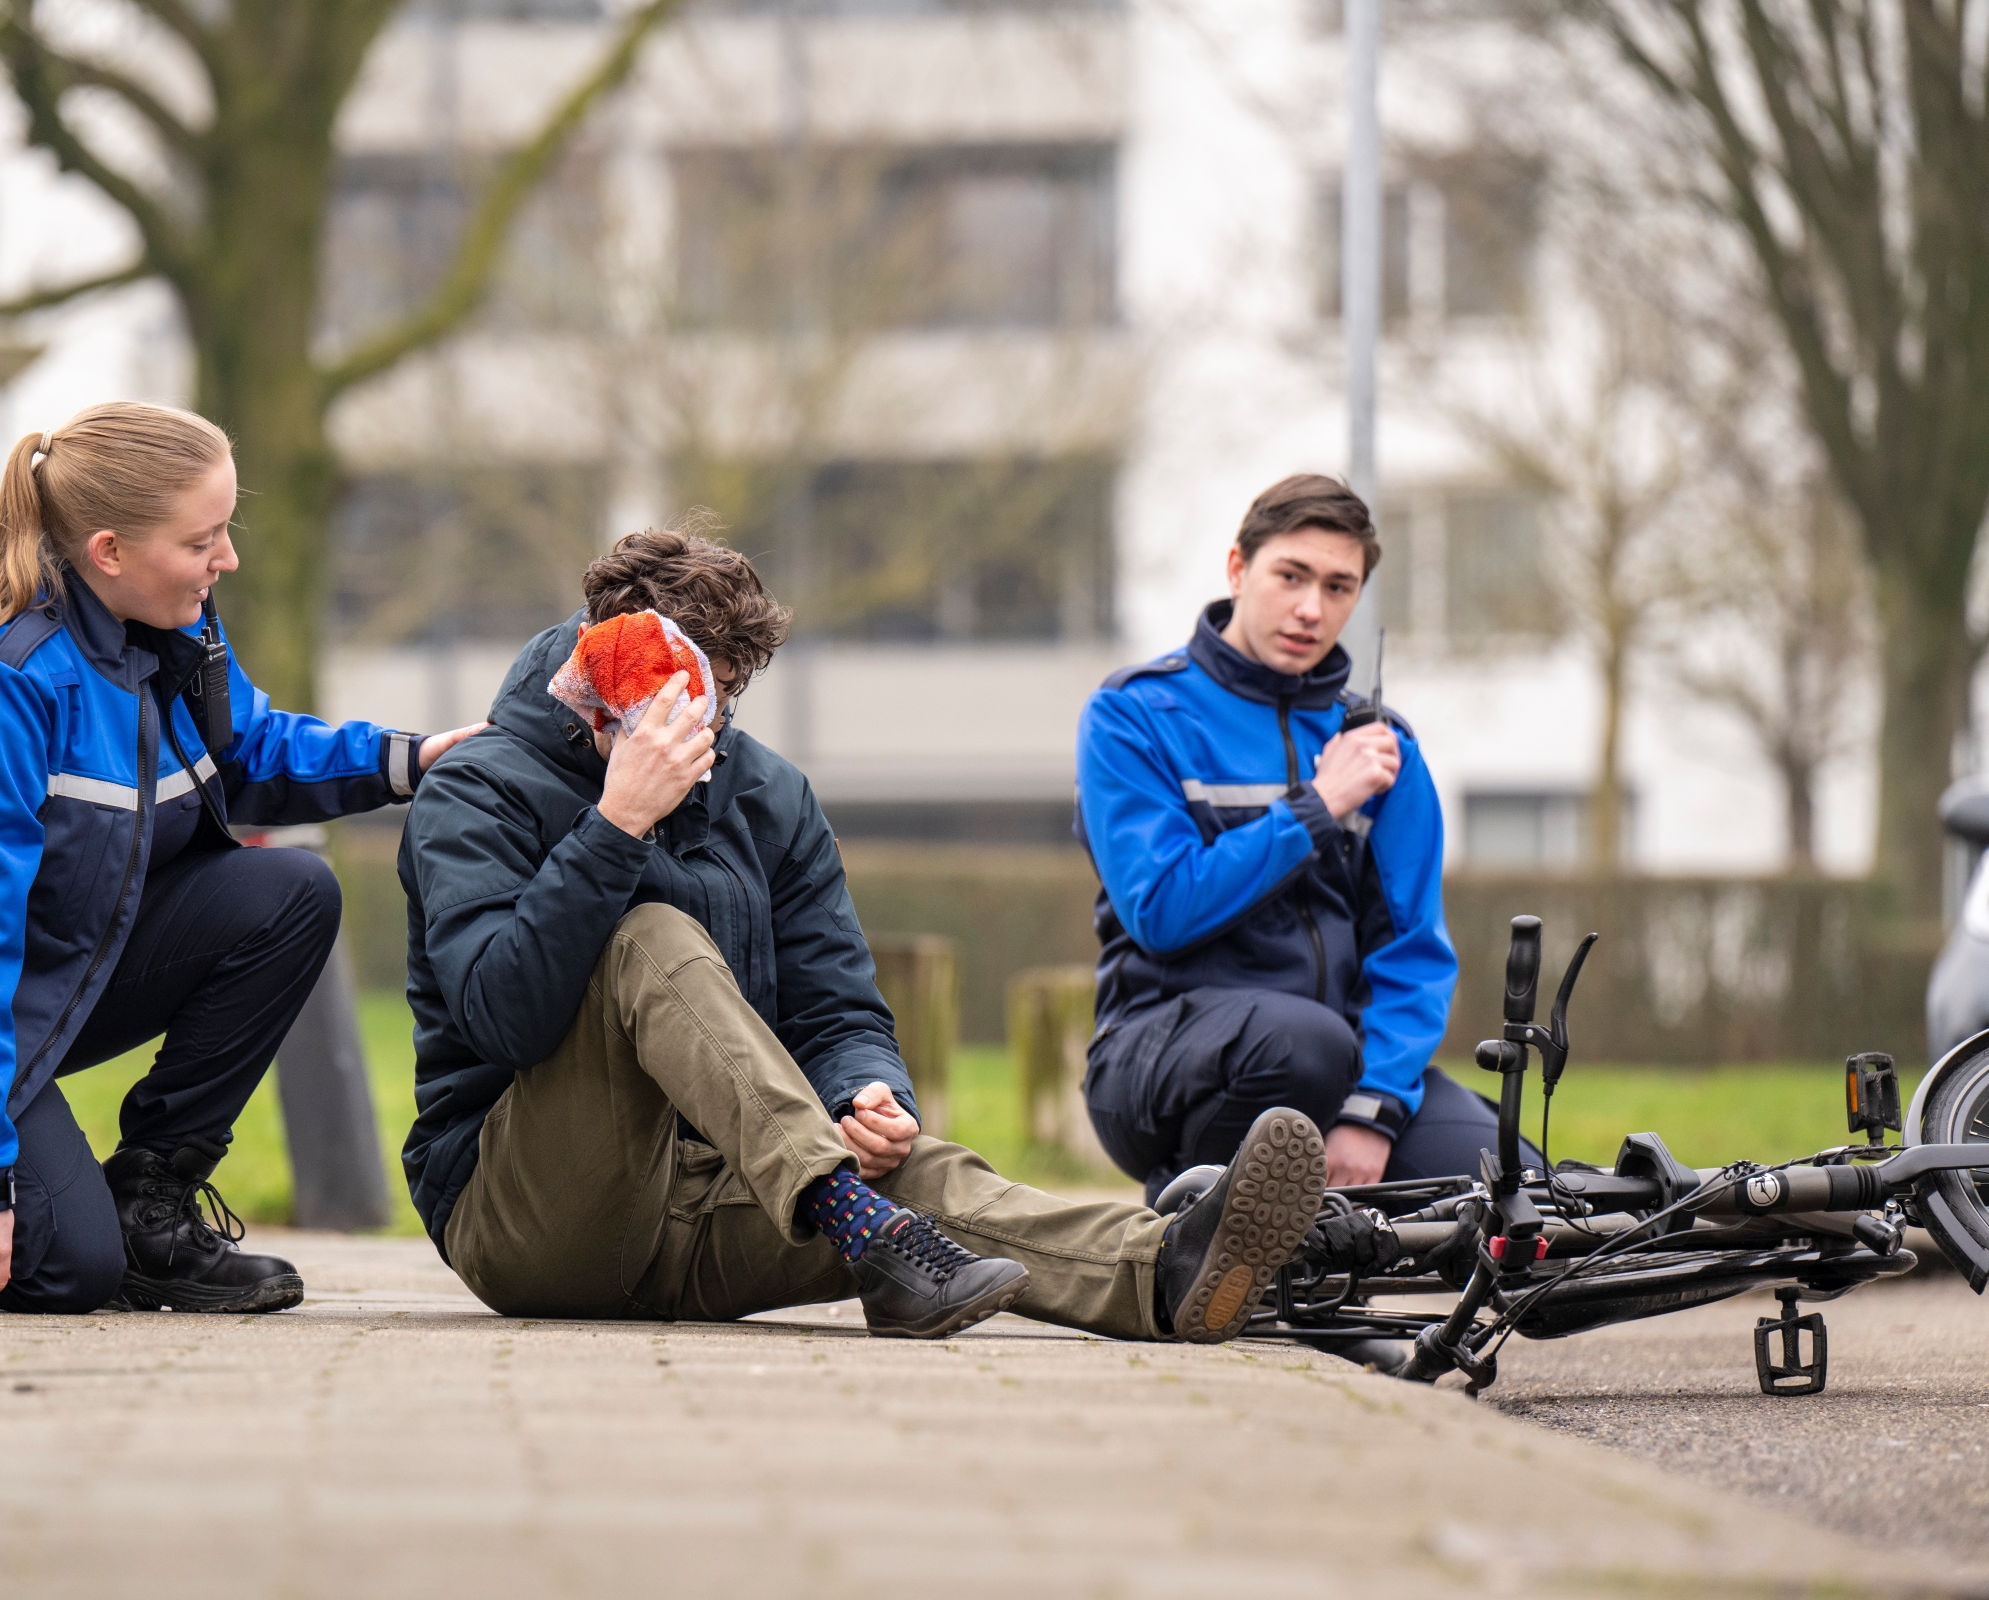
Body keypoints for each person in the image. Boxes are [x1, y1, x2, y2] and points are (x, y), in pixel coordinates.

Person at [399, 521, 1329, 1344]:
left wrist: (867, 1090)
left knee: (921, 1179)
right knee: (651, 935)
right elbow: (501, 1019)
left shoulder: (769, 794)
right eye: (671, 693)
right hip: (532, 1219)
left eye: (717, 701)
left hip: (719, 1205)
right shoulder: (478, 786)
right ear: (604, 664)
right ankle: (855, 1215)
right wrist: (616, 826)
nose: (698, 727)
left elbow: (838, 1004)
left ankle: (1167, 1271)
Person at [0, 402, 479, 1315]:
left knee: (292, 894)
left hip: (28, 974)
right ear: (109, 549)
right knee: (62, 1266)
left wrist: (410, 761)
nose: (225, 560)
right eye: (204, 540)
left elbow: (246, 749)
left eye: (226, 531)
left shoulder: (165, 621)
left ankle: (152, 1213)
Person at [1073, 474, 1533, 1214]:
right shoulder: (1134, 716)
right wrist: (1317, 806)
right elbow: (1160, 907)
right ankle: (1189, 1218)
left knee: (1514, 1183)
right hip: (1158, 1062)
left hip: (1340, 1070)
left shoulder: (1385, 749)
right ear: (1237, 568)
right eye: (1291, 576)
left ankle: (1313, 1231)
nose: (1312, 609)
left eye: (1339, 587)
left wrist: (1373, 1109)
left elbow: (1412, 952)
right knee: (1301, 1046)